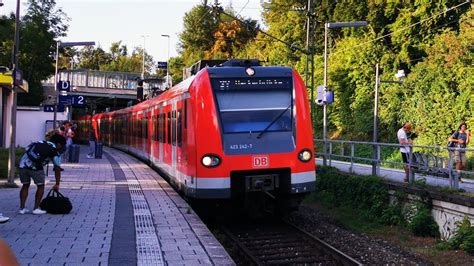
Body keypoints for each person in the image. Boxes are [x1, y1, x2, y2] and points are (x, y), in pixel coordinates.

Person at [18, 133, 66, 215]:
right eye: (62, 145)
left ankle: (22, 208)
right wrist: (57, 183)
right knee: (40, 186)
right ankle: (36, 208)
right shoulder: (54, 152)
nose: (61, 147)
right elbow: (57, 168)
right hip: (35, 168)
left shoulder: (40, 142)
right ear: (58, 144)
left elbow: (27, 149)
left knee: (25, 185)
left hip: (22, 164)